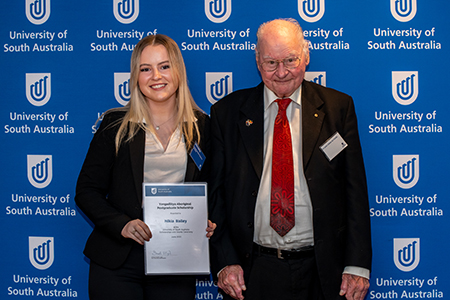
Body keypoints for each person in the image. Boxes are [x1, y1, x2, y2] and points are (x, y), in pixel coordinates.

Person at [208, 18, 372, 300]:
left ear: (306, 56)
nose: (281, 72)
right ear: (257, 61)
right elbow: (216, 195)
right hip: (252, 271)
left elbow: (354, 190)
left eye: (290, 60)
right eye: (271, 62)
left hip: (323, 270)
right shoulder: (227, 113)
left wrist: (357, 264)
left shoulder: (338, 108)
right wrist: (225, 261)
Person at [75, 34, 215, 300]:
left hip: (176, 259)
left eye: (164, 66)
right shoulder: (115, 125)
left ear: (178, 71)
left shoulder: (203, 127)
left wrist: (207, 220)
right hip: (118, 259)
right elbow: (86, 191)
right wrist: (122, 224)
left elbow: (214, 188)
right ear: (136, 78)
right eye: (145, 69)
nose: (156, 77)